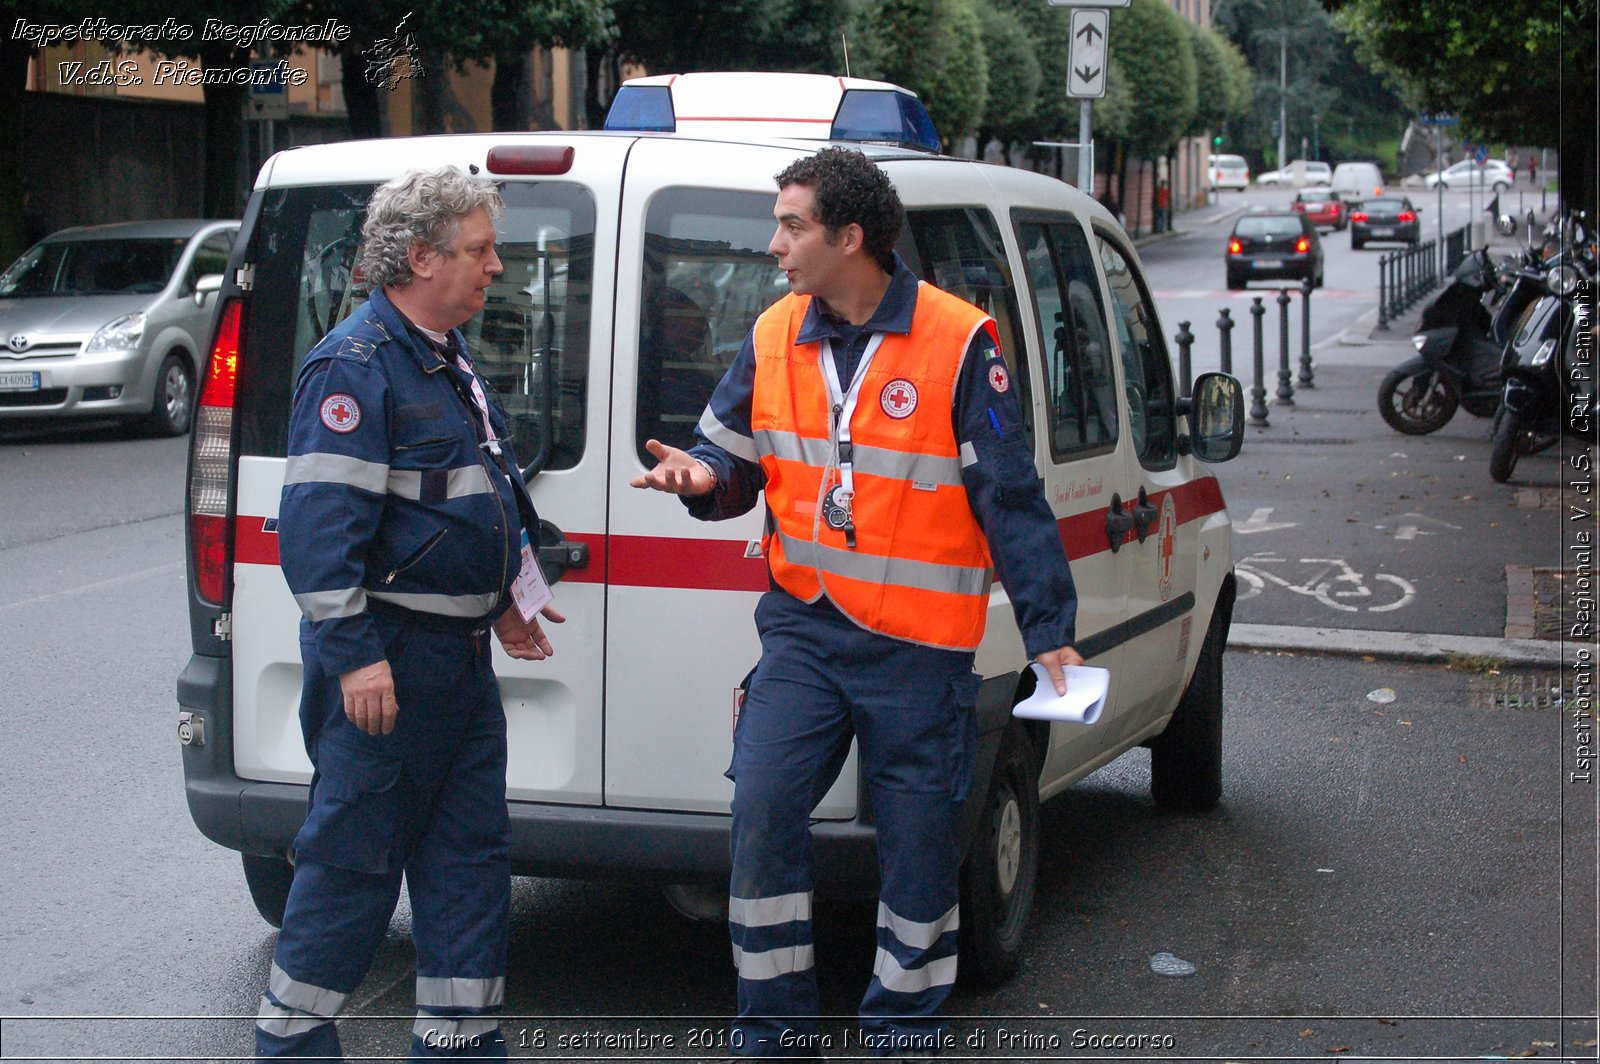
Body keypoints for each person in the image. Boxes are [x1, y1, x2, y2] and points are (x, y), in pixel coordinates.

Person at [631, 147, 1082, 1059]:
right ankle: (775, 1031)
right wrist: (695, 478)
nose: (774, 244)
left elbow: (1011, 498)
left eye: (792, 226)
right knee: (761, 812)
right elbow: (728, 466)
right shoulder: (771, 336)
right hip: (804, 630)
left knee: (919, 849)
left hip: (918, 651)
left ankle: (901, 1033)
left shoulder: (959, 341)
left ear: (851, 237)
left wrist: (1051, 636)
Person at [257, 167, 563, 1060]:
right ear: (419, 257)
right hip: (389, 667)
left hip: (460, 667)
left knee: (469, 871)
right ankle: (291, 1045)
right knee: (349, 873)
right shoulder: (354, 367)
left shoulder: (443, 353)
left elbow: (473, 497)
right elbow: (317, 536)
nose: (495, 268)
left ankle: (461, 1049)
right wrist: (355, 657)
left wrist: (506, 598)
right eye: (478, 250)